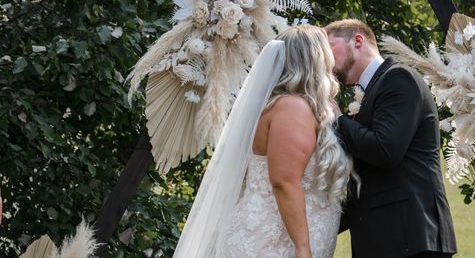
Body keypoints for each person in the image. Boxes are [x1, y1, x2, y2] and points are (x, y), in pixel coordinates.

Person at [173, 25, 351, 258]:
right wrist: (303, 247)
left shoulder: (282, 105)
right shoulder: (292, 107)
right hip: (275, 243)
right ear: (315, 60)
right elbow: (283, 180)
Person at [325, 18, 457, 258]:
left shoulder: (399, 79)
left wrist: (338, 119)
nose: (325, 59)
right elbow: (366, 174)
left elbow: (385, 150)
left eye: (329, 47)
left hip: (411, 238)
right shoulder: (371, 91)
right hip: (384, 239)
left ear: (357, 40)